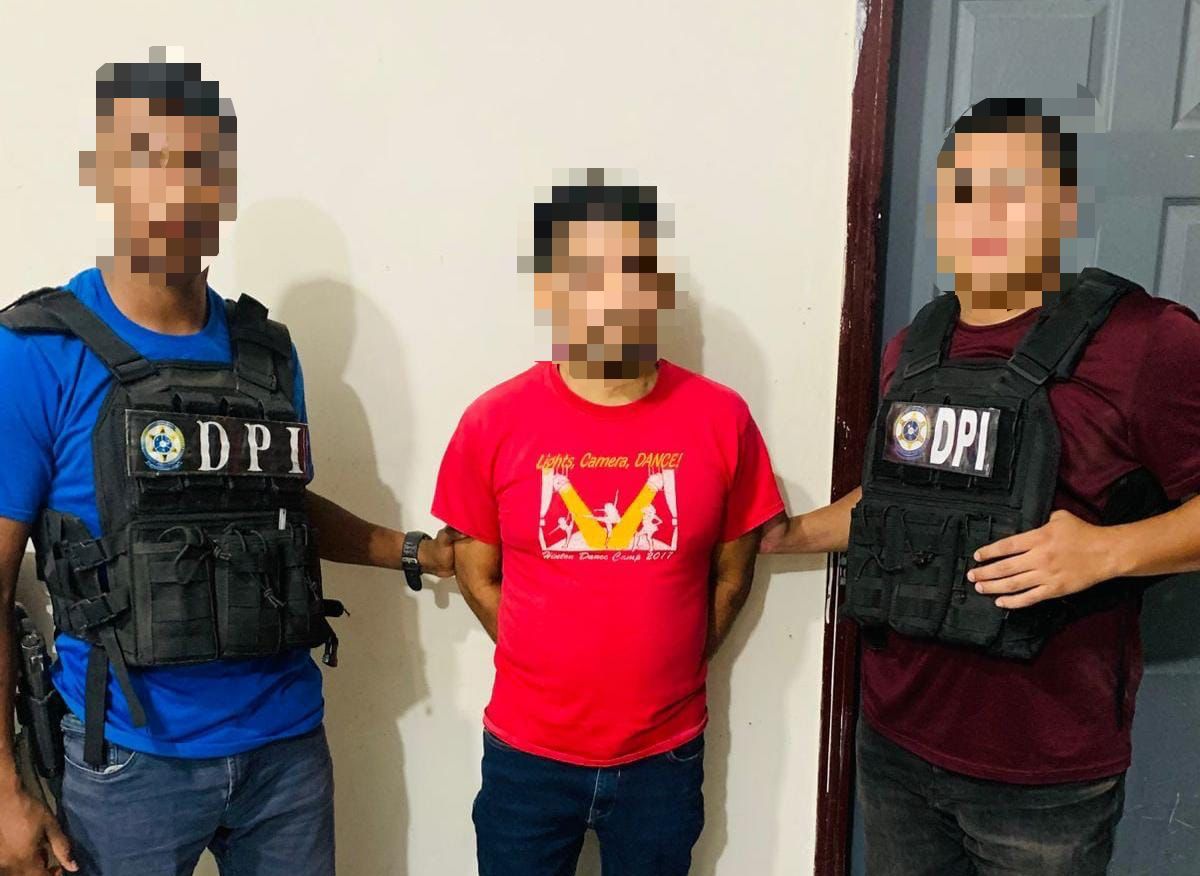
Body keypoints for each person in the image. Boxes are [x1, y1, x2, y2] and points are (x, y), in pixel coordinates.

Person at [0, 52, 453, 876]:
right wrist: (3, 790)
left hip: (287, 752)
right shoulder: (36, 352)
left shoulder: (268, 352)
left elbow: (274, 509)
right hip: (129, 761)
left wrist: (415, 550)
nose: (177, 187)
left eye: (201, 163)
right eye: (150, 158)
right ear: (104, 174)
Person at [762, 98, 1200, 875]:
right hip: (894, 745)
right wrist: (787, 535)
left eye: (1014, 190)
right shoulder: (916, 345)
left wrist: (1107, 552)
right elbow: (897, 502)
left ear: (1062, 207)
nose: (986, 214)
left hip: (1042, 782)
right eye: (965, 192)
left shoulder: (1146, 341)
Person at [432, 170, 784, 876]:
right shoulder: (493, 422)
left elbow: (732, 575)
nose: (610, 295)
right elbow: (476, 572)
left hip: (664, 759)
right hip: (526, 760)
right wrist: (542, 656)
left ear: (658, 287)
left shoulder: (722, 419)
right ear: (549, 291)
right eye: (585, 274)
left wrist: (670, 665)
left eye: (631, 271)